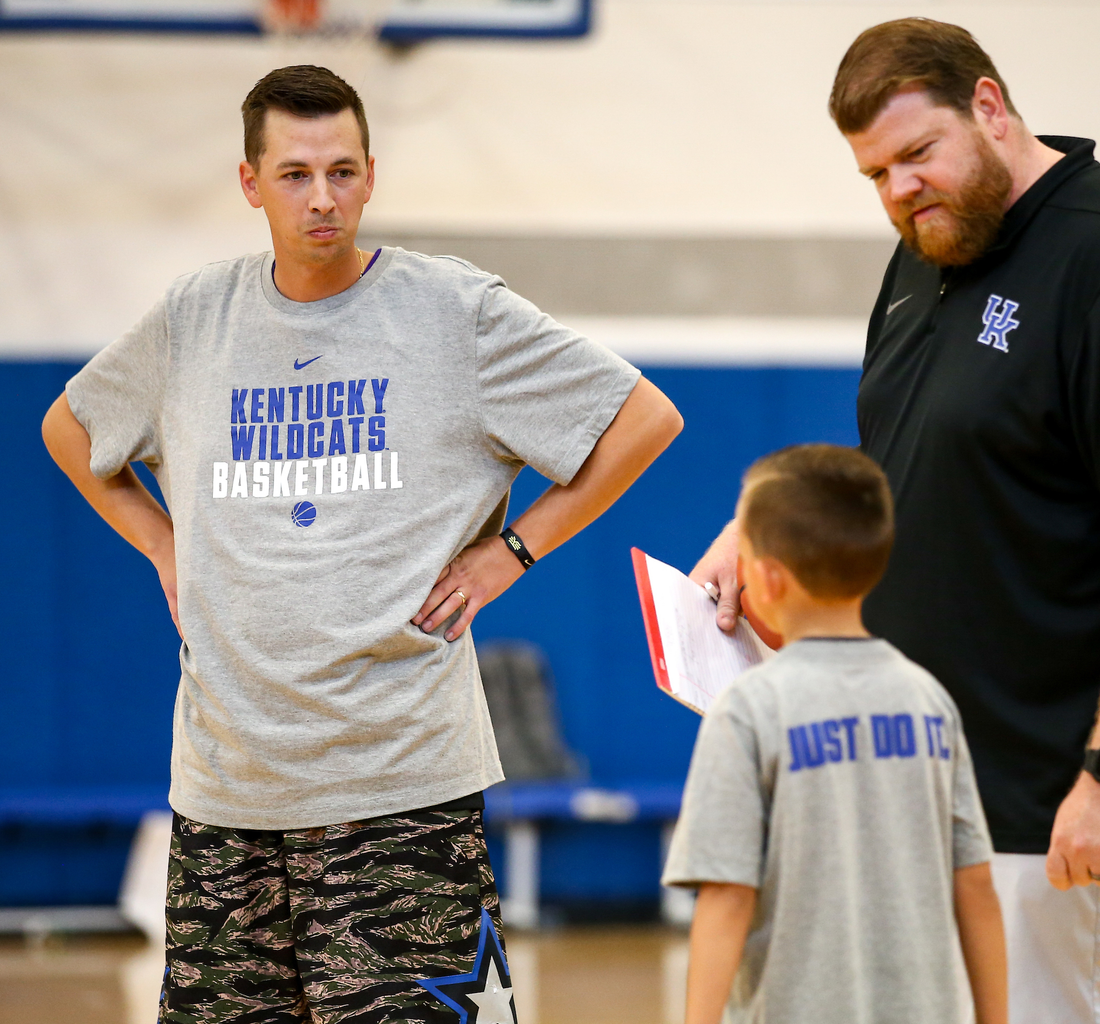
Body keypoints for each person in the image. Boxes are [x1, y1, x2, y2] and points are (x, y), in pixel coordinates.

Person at [42, 65, 683, 1023]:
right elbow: (69, 430)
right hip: (228, 794)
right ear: (251, 182)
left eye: (343, 171)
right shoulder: (192, 318)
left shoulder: (453, 311)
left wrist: (514, 550)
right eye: (295, 174)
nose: (322, 198)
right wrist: (161, 544)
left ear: (372, 175)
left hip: (400, 790)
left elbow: (644, 418)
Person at [692, 19, 1100, 1024]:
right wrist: (763, 524)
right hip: (936, 783)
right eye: (874, 175)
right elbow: (921, 458)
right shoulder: (923, 251)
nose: (898, 189)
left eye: (914, 154)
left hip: (1060, 792)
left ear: (988, 108)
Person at [664, 444, 1006, 1024]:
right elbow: (974, 884)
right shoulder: (929, 700)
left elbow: (726, 896)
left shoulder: (747, 709)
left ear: (765, 579)